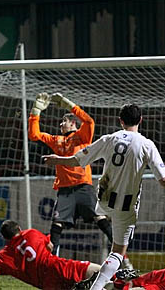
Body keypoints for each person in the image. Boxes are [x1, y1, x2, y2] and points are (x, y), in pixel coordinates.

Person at [42, 103, 165, 290]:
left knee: (103, 224)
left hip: (105, 199)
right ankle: (98, 285)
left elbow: (78, 159)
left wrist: (56, 160)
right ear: (140, 120)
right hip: (126, 205)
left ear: (120, 121)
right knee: (117, 252)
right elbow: (163, 177)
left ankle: (105, 281)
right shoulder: (146, 144)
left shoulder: (109, 139)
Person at [28, 92, 122, 264]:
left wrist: (68, 104)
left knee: (100, 219)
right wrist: (36, 111)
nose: (60, 124)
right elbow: (34, 135)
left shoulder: (82, 137)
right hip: (65, 191)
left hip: (83, 187)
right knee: (56, 225)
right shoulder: (56, 140)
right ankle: (51, 262)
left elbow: (89, 121)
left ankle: (121, 255)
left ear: (73, 123)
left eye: (64, 121)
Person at [0, 219, 101, 290]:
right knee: (102, 271)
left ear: (5, 238)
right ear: (19, 229)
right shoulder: (31, 233)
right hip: (57, 267)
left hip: (46, 284)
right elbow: (50, 246)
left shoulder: (2, 256)